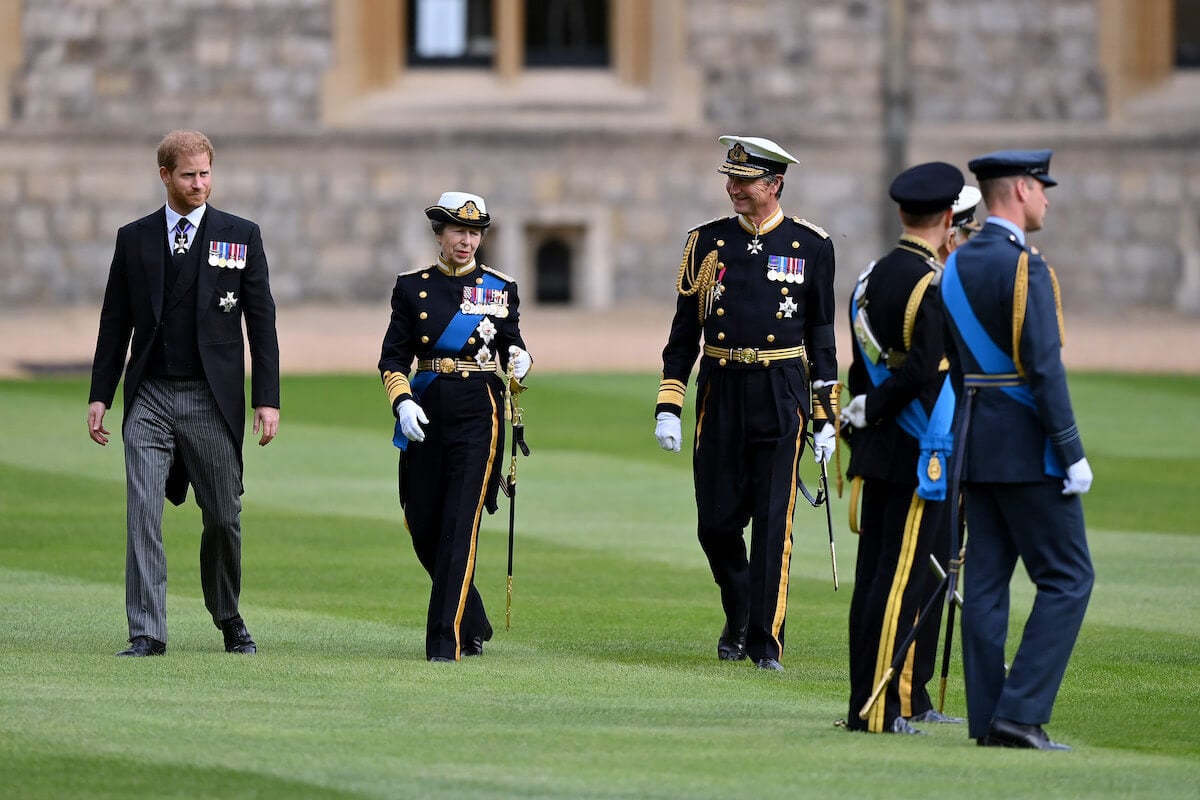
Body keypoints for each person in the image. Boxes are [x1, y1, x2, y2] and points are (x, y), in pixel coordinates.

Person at [87, 129, 280, 657]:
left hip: (211, 399)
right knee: (143, 511)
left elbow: (262, 324)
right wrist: (100, 393)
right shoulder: (135, 238)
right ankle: (147, 631)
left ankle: (228, 615)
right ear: (165, 176)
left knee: (223, 515)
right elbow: (114, 322)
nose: (200, 184)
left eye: (206, 173)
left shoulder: (241, 235)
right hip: (148, 394)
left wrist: (267, 398)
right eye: (190, 175)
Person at [654, 135, 839, 672]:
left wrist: (824, 416)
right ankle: (738, 612)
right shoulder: (705, 243)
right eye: (729, 179)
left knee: (773, 521)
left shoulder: (812, 245)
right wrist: (671, 401)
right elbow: (683, 332)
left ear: (774, 184)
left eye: (745, 180)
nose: (733, 188)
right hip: (720, 386)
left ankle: (764, 641)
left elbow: (822, 336)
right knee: (714, 523)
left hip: (781, 388)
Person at [941, 150, 1094, 750]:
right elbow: (1044, 368)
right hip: (1029, 447)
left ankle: (987, 721)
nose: (1048, 200)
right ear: (1023, 190)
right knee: (1068, 577)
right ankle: (1021, 712)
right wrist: (1071, 448)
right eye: (1043, 189)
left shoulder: (954, 264)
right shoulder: (1027, 267)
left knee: (984, 585)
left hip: (975, 444)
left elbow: (959, 369)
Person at [379, 191, 532, 663]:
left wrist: (522, 360)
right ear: (440, 235)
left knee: (459, 525)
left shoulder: (499, 288)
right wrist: (402, 400)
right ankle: (473, 616)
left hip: (477, 412)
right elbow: (392, 357)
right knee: (421, 521)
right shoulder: (411, 287)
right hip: (426, 409)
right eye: (457, 232)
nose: (466, 241)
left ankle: (446, 641)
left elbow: (511, 346)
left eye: (474, 232)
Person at [840, 162, 965, 734]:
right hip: (917, 449)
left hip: (875, 448)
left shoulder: (868, 279)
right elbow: (919, 372)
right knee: (899, 585)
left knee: (872, 583)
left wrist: (861, 414)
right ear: (945, 220)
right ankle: (880, 711)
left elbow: (860, 364)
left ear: (900, 215)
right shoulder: (931, 285)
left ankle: (862, 701)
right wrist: (877, 407)